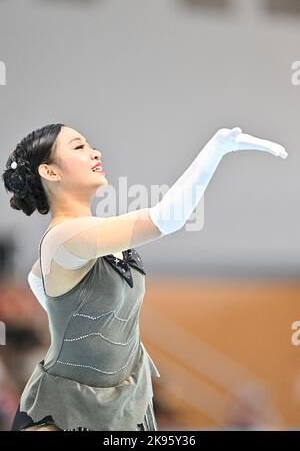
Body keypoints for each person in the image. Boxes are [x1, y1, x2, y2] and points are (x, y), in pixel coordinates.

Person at [2, 124, 287, 431]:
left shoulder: (81, 240)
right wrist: (216, 149)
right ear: (50, 172)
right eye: (79, 147)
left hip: (122, 406)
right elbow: (167, 217)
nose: (95, 151)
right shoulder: (64, 238)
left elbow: (39, 282)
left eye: (90, 145)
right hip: (61, 411)